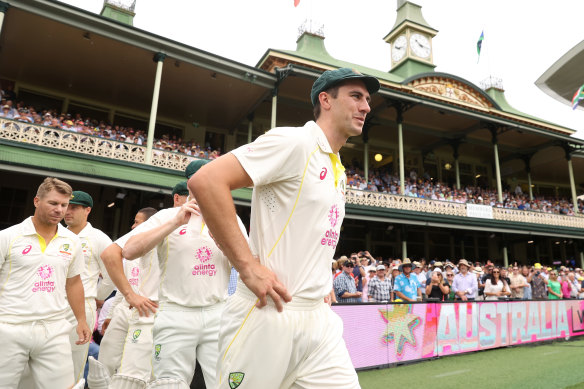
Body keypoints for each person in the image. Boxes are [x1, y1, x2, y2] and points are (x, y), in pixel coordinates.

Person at [189, 67, 379, 388]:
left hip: (318, 319)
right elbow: (206, 181)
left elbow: (312, 231)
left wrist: (318, 277)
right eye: (356, 96)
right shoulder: (294, 141)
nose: (366, 107)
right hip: (266, 314)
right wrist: (247, 267)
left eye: (368, 100)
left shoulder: (338, 168)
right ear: (326, 100)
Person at [123, 160, 248, 388]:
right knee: (169, 383)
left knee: (222, 382)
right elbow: (129, 251)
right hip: (175, 312)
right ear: (191, 184)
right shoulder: (166, 216)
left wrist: (227, 245)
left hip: (217, 312)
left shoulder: (231, 218)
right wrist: (174, 223)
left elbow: (248, 268)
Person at [0, 177, 91, 388]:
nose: (59, 210)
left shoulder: (72, 241)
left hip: (54, 328)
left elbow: (74, 282)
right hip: (9, 326)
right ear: (36, 201)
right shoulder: (8, 237)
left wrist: (81, 320)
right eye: (53, 203)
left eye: (64, 205)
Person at [91, 207, 159, 388]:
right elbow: (122, 288)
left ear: (150, 224)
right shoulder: (126, 252)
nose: (132, 226)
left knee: (137, 364)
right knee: (106, 356)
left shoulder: (161, 250)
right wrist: (111, 315)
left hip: (147, 312)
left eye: (137, 222)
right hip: (123, 311)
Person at [63, 191, 114, 382]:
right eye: (66, 206)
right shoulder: (57, 233)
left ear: (87, 210)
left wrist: (96, 296)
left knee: (74, 362)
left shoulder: (99, 238)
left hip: (82, 306)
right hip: (52, 302)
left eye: (74, 207)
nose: (68, 211)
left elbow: (111, 275)